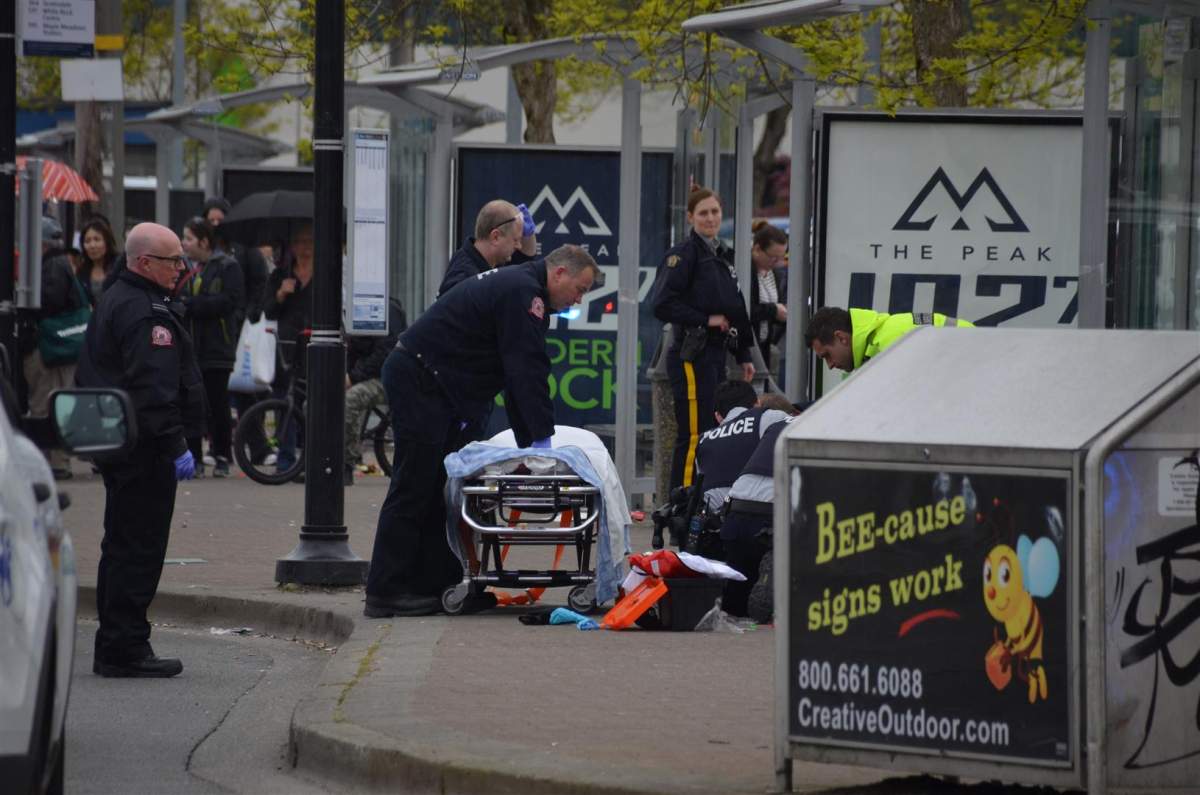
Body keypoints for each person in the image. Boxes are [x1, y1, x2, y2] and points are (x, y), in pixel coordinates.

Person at [364, 245, 599, 618]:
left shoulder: (523, 288)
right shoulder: (524, 293)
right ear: (559, 274)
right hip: (421, 379)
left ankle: (435, 584)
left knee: (442, 487)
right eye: (580, 289)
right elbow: (526, 368)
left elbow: (514, 368)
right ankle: (386, 592)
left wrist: (533, 439)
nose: (579, 299)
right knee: (414, 485)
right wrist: (541, 442)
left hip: (436, 383)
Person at [75, 222, 206, 677]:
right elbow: (153, 390)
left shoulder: (118, 298)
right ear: (145, 262)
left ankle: (116, 640)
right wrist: (175, 445)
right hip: (143, 450)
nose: (181, 268)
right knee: (139, 548)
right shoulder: (145, 311)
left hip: (124, 445)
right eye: (173, 261)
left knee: (122, 543)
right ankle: (124, 647)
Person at [651, 187, 755, 494]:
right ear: (690, 217)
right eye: (703, 213)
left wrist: (744, 353)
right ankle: (680, 508)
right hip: (690, 355)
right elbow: (661, 304)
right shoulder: (684, 255)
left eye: (715, 212)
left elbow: (736, 308)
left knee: (710, 431)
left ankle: (702, 501)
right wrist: (704, 320)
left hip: (714, 354)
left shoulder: (721, 254)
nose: (710, 218)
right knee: (694, 435)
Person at [720, 400, 809, 618]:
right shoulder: (819, 427)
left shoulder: (775, 426)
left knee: (735, 604)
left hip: (736, 511)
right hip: (771, 518)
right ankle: (776, 586)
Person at [21, 216, 90, 479]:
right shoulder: (60, 265)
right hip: (59, 347)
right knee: (56, 400)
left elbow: (49, 301)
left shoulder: (50, 267)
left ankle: (53, 461)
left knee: (46, 401)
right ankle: (56, 460)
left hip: (51, 348)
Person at [178, 217, 245, 478]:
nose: (184, 243)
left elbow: (229, 301)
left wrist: (193, 304)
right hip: (191, 348)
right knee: (193, 403)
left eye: (189, 238)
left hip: (218, 348)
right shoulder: (185, 267)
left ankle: (221, 455)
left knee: (218, 404)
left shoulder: (227, 267)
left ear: (204, 241)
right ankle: (193, 456)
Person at [693, 380, 791, 516]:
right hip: (765, 515)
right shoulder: (768, 417)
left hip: (718, 524)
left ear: (718, 416)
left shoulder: (703, 440)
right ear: (757, 403)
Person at [262, 224, 315, 473]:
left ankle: (308, 458)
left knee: (309, 400)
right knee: (284, 398)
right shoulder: (281, 275)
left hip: (314, 344)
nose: (304, 247)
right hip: (286, 344)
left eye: (309, 241)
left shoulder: (326, 273)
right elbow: (268, 310)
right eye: (300, 242)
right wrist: (281, 294)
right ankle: (285, 460)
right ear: (292, 247)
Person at [344, 296, 407, 485]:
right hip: (365, 374)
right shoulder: (357, 310)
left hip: (389, 378)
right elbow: (354, 349)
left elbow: (385, 354)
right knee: (317, 399)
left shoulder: (389, 311)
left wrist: (353, 376)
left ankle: (346, 462)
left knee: (352, 399)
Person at [804, 306, 974, 374]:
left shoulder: (889, 345)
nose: (830, 365)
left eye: (827, 355)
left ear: (841, 338)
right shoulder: (871, 345)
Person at [437, 199, 537, 298]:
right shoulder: (464, 276)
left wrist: (529, 233)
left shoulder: (495, 259)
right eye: (515, 240)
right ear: (496, 237)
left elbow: (526, 258)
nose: (519, 246)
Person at [202, 197, 268, 323]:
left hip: (239, 319)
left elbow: (259, 281)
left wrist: (249, 312)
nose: (216, 224)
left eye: (219, 220)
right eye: (211, 220)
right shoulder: (202, 247)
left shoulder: (244, 245)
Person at [748, 220, 788, 358]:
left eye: (782, 257)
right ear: (757, 249)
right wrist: (774, 310)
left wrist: (781, 313)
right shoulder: (745, 271)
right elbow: (745, 309)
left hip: (763, 346)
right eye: (774, 258)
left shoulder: (773, 273)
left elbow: (769, 312)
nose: (778, 263)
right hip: (746, 347)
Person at [78, 217, 120, 306]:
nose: (92, 245)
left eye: (97, 239)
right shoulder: (81, 271)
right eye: (87, 241)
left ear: (107, 241)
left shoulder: (119, 267)